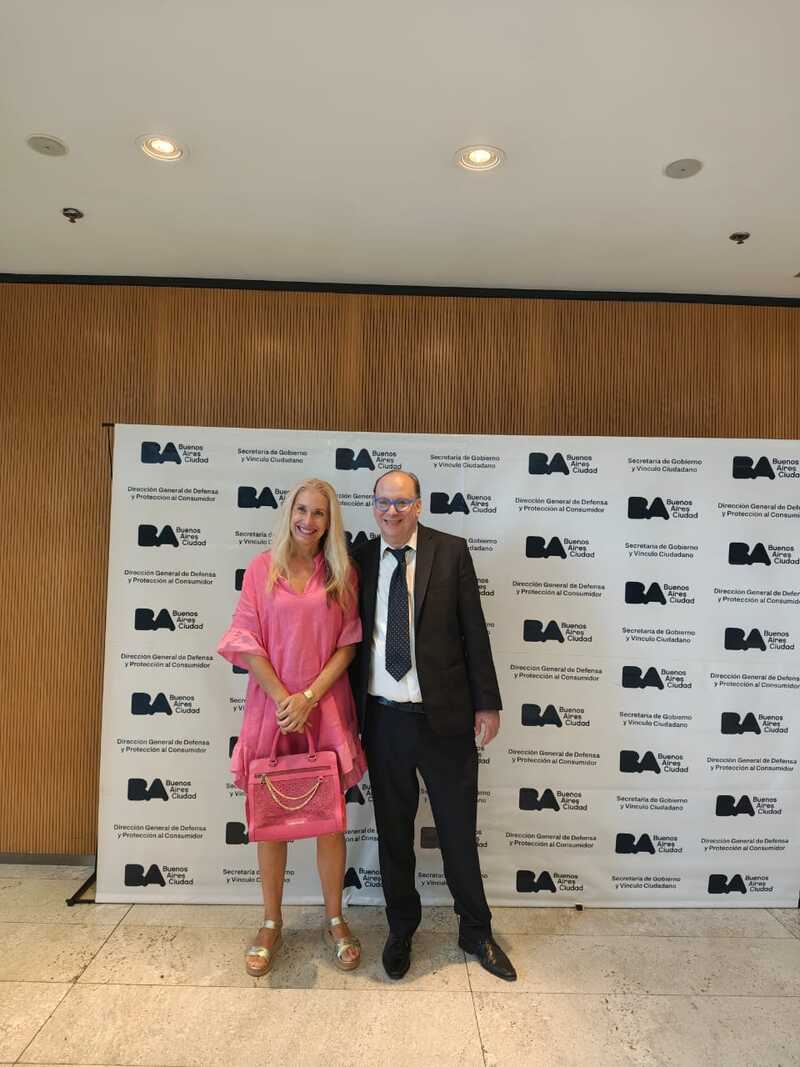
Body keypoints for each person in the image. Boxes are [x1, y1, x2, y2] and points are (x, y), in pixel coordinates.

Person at [350, 469, 516, 982]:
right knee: (393, 834)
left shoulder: (450, 551)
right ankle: (401, 929)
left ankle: (476, 930)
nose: (392, 511)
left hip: (445, 719)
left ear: (419, 505)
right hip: (383, 720)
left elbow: (474, 631)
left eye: (402, 502)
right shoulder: (359, 559)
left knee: (458, 831)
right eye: (383, 502)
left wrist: (487, 704)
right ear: (373, 506)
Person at [218, 477, 367, 977]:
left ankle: (335, 919)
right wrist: (286, 700)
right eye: (301, 510)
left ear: (330, 522)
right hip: (273, 711)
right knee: (272, 820)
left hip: (324, 708)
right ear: (289, 513)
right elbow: (246, 640)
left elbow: (348, 645)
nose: (308, 520)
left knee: (331, 821)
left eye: (319, 513)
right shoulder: (261, 569)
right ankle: (271, 922)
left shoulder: (342, 573)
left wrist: (308, 698)